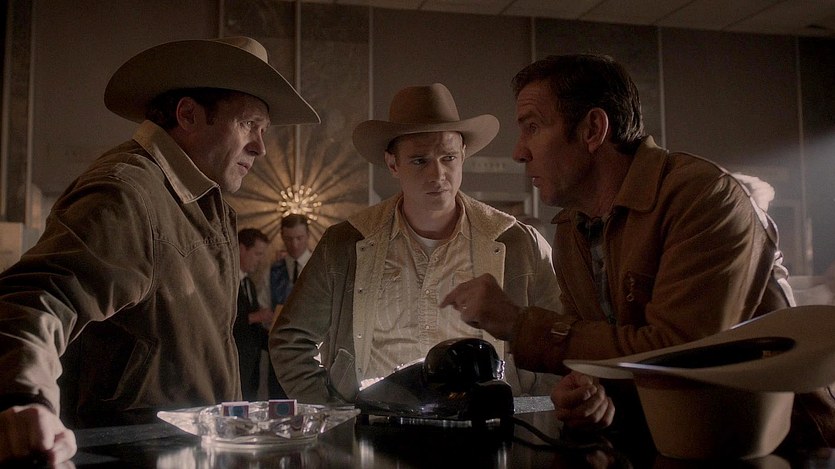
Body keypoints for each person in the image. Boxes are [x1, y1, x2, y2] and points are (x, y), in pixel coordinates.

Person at [443, 54, 832, 447]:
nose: (519, 152)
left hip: (772, 447)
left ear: (593, 129)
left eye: (532, 127)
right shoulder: (572, 227)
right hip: (666, 441)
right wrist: (587, 392)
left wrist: (520, 324)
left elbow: (679, 355)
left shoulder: (701, 197)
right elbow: (592, 349)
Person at [0, 36, 318, 464]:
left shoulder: (205, 202)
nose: (261, 146)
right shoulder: (126, 193)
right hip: (132, 454)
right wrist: (24, 400)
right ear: (188, 114)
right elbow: (34, 300)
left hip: (189, 452)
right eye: (249, 124)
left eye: (263, 130)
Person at [270, 83, 561, 404]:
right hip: (377, 424)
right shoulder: (346, 244)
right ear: (393, 164)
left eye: (448, 157)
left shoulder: (518, 242)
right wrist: (335, 414)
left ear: (463, 154)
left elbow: (559, 340)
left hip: (482, 423)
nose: (438, 174)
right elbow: (290, 340)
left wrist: (528, 410)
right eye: (420, 161)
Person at [236, 228, 284, 400]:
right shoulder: (226, 283)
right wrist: (256, 317)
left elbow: (254, 329)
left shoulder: (248, 284)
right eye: (257, 254)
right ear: (241, 249)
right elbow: (218, 321)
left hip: (251, 370)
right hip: (235, 367)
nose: (260, 260)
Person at [269, 214, 312, 312]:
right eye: (289, 239)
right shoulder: (274, 270)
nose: (294, 245)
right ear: (282, 237)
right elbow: (264, 305)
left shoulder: (320, 268)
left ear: (308, 235)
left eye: (299, 238)